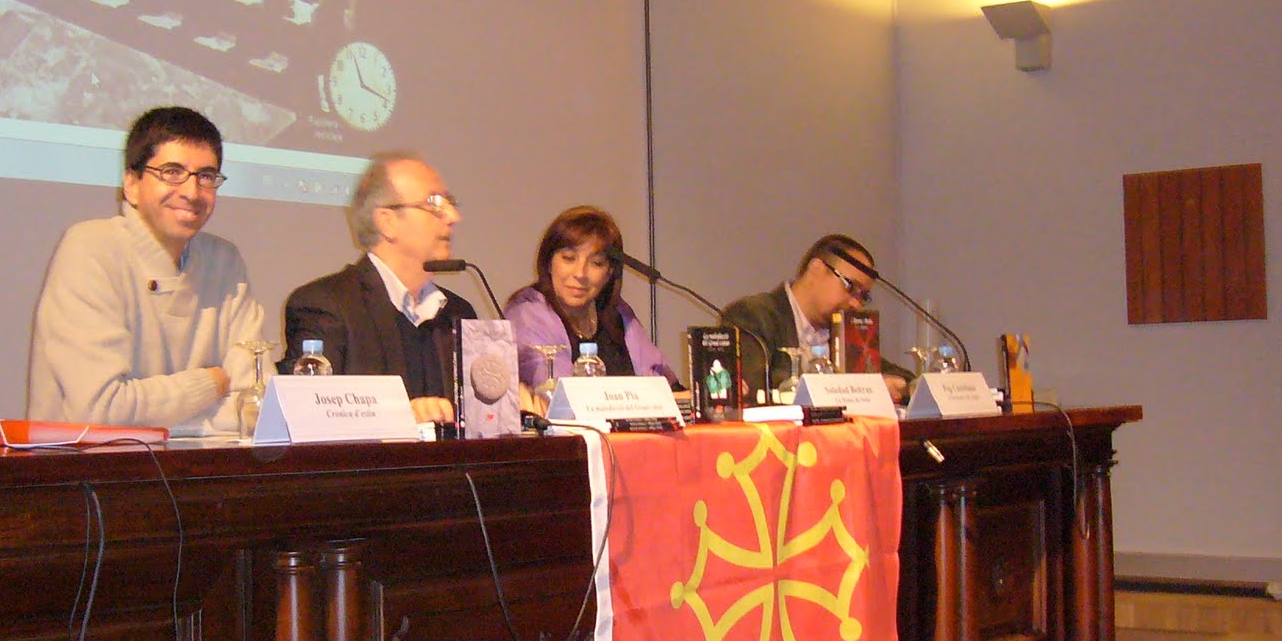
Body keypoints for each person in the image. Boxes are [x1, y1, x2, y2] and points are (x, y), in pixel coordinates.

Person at [28, 106, 266, 434]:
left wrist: (154, 416)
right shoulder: (91, 248)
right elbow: (101, 409)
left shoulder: (224, 261)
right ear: (131, 184)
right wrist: (210, 383)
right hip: (93, 464)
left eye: (206, 177)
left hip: (203, 464)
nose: (192, 192)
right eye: (172, 172)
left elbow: (257, 406)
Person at [278, 152, 474, 425]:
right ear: (386, 222)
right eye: (434, 203)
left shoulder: (459, 313)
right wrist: (399, 416)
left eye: (450, 203)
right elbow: (307, 415)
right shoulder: (325, 306)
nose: (453, 217)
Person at [502, 205, 679, 393]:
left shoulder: (618, 313)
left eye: (596, 263)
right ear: (548, 262)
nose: (580, 273)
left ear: (610, 272)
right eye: (569, 258)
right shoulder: (527, 313)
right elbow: (558, 394)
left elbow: (661, 382)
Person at [721, 233, 911, 404]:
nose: (856, 304)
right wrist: (853, 390)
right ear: (816, 269)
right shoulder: (751, 314)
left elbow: (904, 379)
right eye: (850, 286)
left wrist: (896, 386)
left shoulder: (845, 330)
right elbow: (755, 387)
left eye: (864, 296)